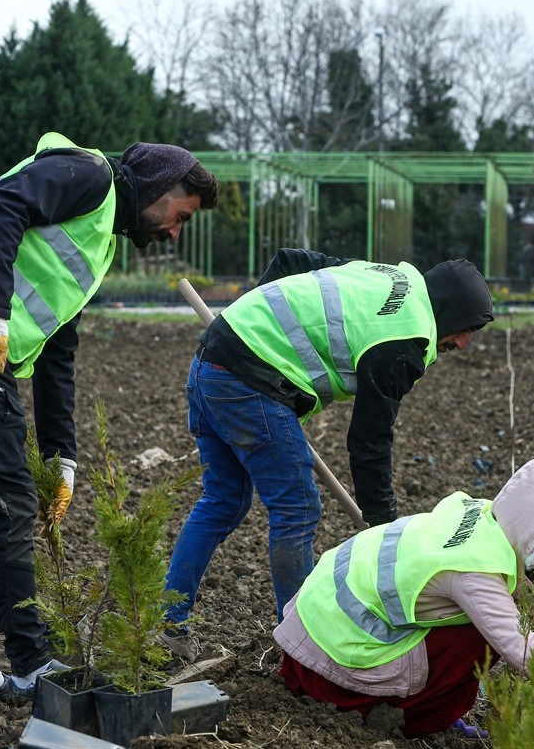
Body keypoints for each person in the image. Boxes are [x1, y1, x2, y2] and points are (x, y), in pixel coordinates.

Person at [0, 131, 219, 708]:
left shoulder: (97, 239)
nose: (174, 232)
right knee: (7, 504)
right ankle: (31, 665)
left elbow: (57, 353)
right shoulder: (91, 176)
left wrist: (61, 457)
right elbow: (1, 207)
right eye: (181, 216)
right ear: (159, 186)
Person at [163, 248, 495, 653]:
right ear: (452, 311)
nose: (463, 344)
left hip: (211, 363)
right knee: (297, 508)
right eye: (468, 329)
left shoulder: (382, 275)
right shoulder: (404, 339)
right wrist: (383, 525)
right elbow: (369, 440)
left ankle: (168, 624)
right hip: (247, 383)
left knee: (223, 500)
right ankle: (302, 643)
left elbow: (289, 261)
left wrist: (248, 324)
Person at [273, 455, 534, 738]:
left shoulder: (479, 517)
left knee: (484, 621)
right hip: (331, 661)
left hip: (315, 629)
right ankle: (415, 718)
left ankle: (421, 706)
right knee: (482, 636)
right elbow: (525, 651)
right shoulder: (473, 572)